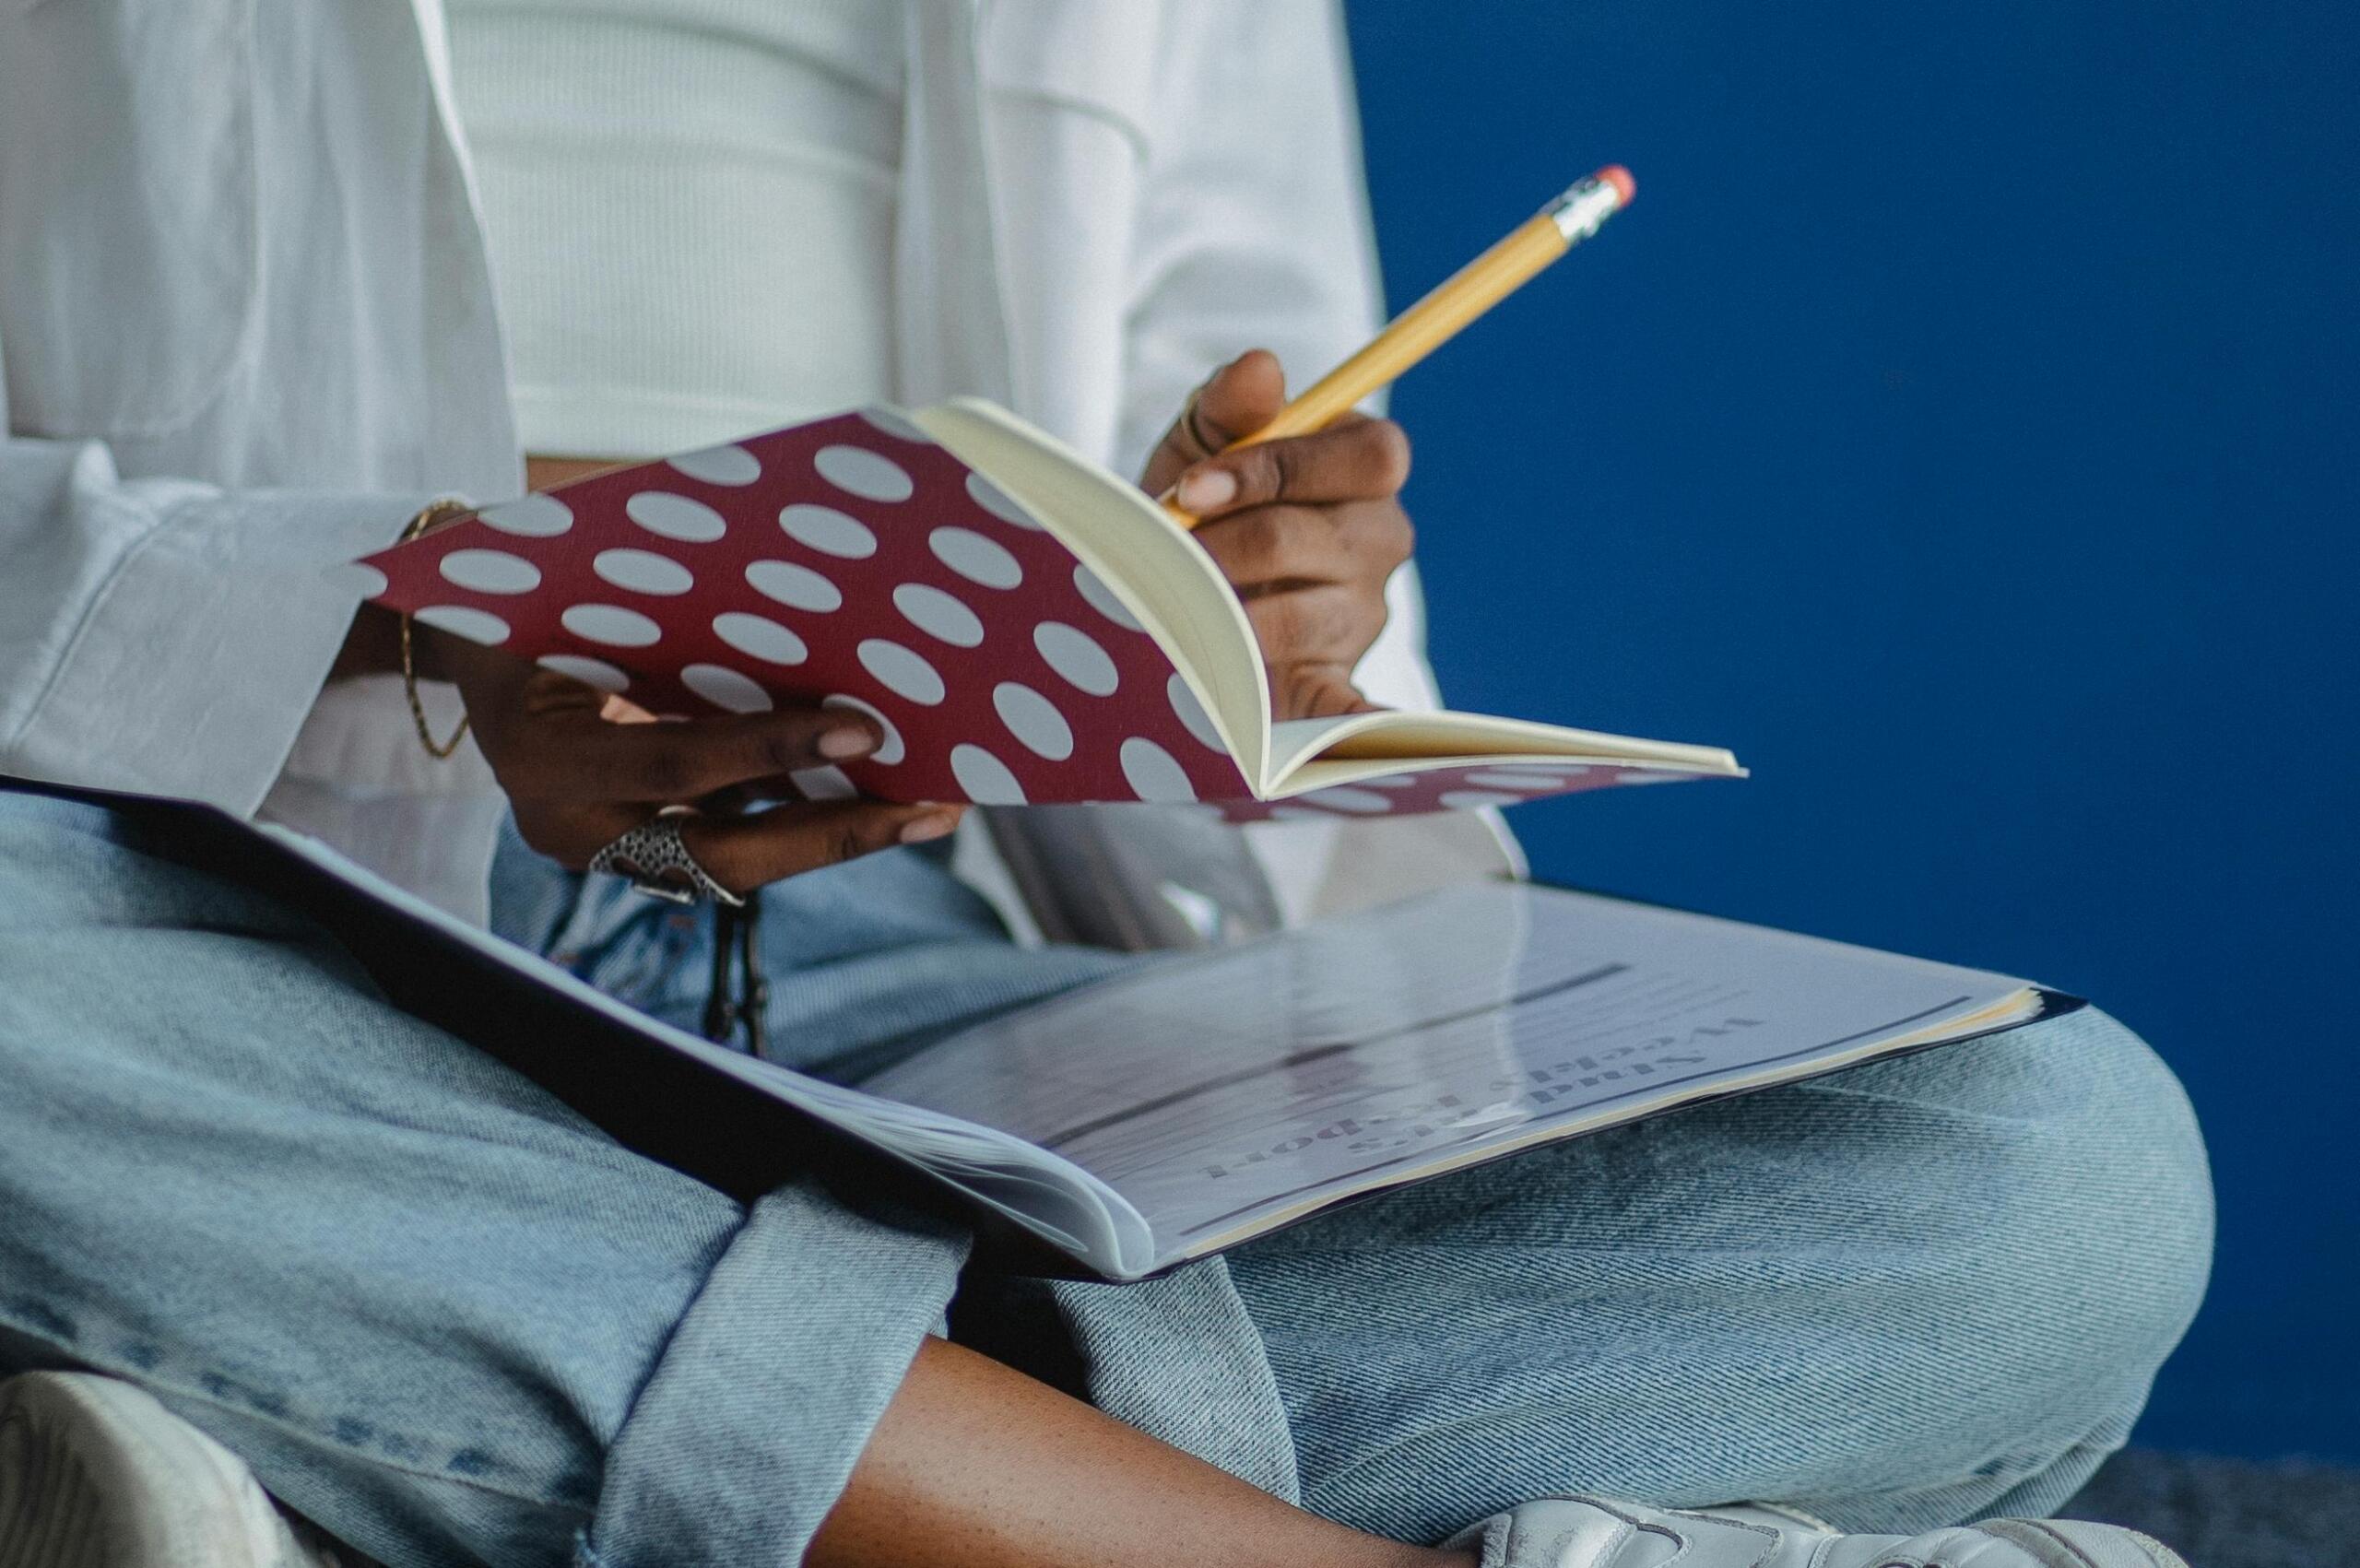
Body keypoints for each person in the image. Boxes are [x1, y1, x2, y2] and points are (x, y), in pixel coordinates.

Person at [0, 5, 2212, 1567]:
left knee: (2045, 1168)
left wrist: (1272, 616)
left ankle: (355, 1418)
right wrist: (420, 606)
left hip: (895, 949)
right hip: (186, 900)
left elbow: (1232, 422)